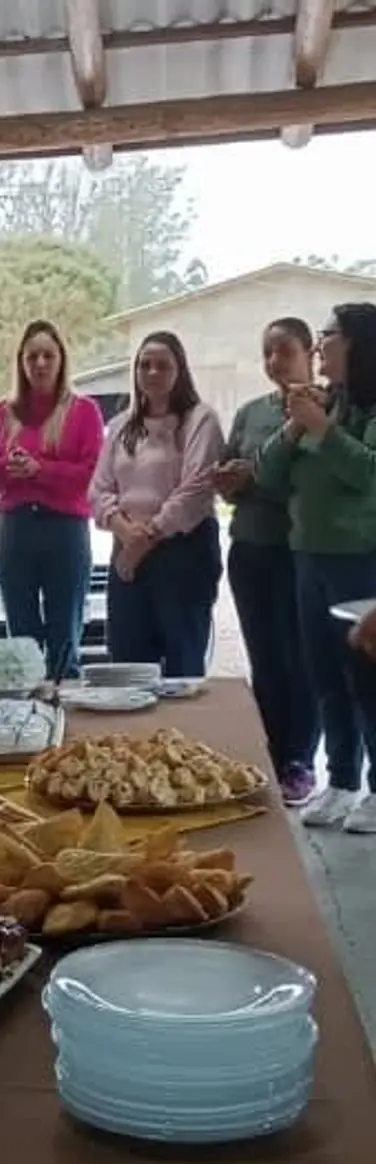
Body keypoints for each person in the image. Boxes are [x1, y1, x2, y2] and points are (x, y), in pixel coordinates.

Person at [257, 302, 376, 833]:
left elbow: (369, 475)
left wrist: (322, 431)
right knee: (324, 673)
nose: (320, 347)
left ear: (356, 344)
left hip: (361, 561)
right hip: (308, 556)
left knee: (367, 679)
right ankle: (343, 780)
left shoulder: (360, 413)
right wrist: (293, 429)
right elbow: (268, 476)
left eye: (327, 336)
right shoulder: (326, 402)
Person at [213, 319, 320, 806]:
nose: (275, 362)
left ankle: (299, 759)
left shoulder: (324, 409)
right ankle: (270, 752)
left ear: (309, 352)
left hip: (296, 550)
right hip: (249, 547)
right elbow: (233, 470)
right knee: (265, 657)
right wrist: (229, 479)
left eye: (284, 351)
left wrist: (252, 479)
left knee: (299, 657)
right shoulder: (252, 411)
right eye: (267, 352)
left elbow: (299, 482)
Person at [89, 330, 224, 677]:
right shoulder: (120, 426)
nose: (152, 373)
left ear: (180, 371)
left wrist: (146, 538)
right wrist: (125, 532)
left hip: (183, 551)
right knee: (128, 665)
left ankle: (181, 733)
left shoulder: (200, 420)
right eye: (144, 365)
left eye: (162, 365)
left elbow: (195, 489)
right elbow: (99, 490)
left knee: (182, 663)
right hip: (128, 549)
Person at [0, 320, 104, 680]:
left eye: (48, 355)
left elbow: (91, 475)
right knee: (20, 628)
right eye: (32, 356)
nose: (40, 364)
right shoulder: (2, 413)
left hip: (64, 528)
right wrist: (9, 468)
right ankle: (26, 706)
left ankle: (66, 706)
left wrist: (40, 470)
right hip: (14, 527)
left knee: (65, 626)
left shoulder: (83, 412)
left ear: (61, 360)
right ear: (21, 362)